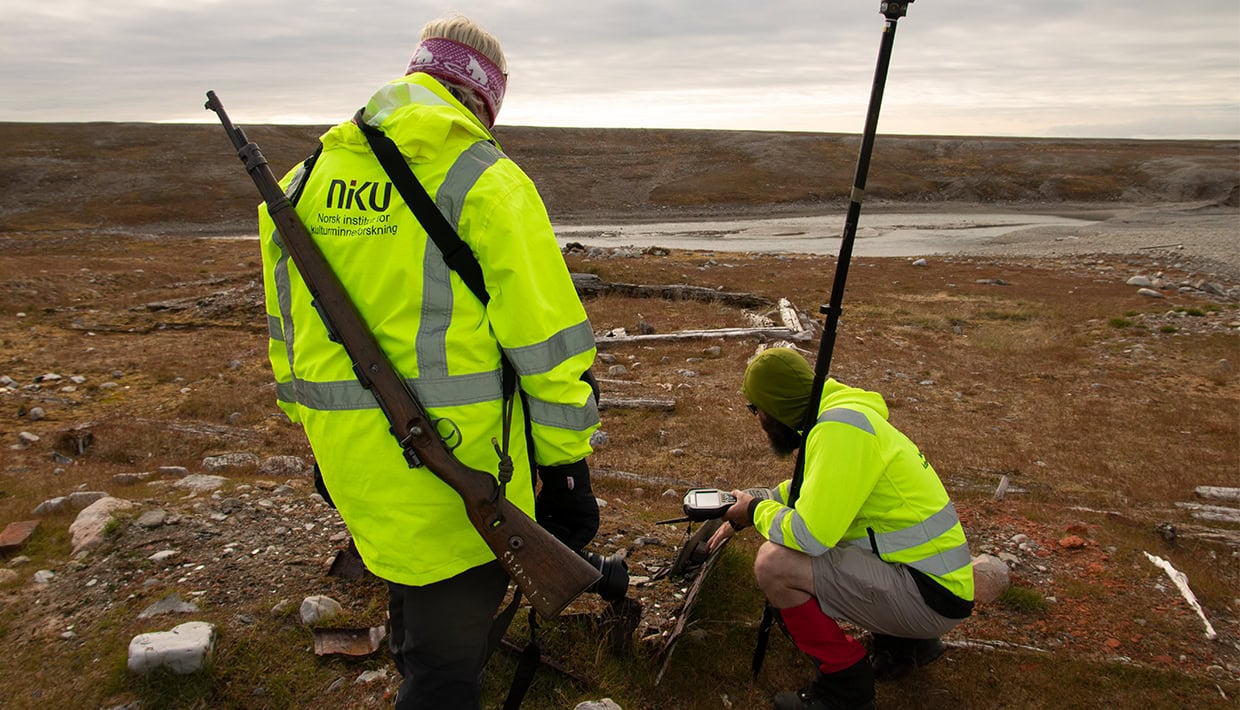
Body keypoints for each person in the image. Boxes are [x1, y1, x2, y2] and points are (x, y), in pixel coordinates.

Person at [257, 14, 602, 709]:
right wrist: (565, 469)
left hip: (355, 463)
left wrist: (321, 448)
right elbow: (550, 348)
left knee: (414, 604)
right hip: (464, 478)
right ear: (484, 98)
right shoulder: (486, 179)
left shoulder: (300, 182)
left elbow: (287, 341)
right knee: (445, 677)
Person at [708, 348, 974, 710]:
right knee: (826, 542)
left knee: (775, 563)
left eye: (754, 409)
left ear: (774, 404)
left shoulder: (838, 430)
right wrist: (753, 505)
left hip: (931, 597)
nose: (757, 419)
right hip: (936, 583)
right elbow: (816, 492)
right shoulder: (844, 416)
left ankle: (844, 684)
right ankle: (902, 644)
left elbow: (809, 535)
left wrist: (756, 512)